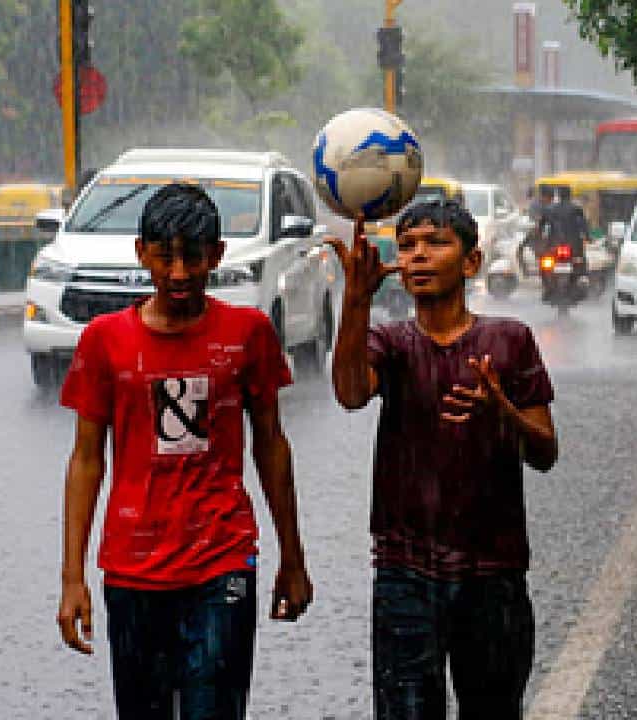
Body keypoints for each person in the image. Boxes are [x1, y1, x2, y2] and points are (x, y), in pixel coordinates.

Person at [56, 183, 313, 719]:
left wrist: (293, 557)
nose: (178, 273)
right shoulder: (104, 340)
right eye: (164, 257)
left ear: (217, 255)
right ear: (141, 253)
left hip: (222, 559)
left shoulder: (248, 333)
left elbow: (271, 445)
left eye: (193, 258)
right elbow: (86, 459)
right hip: (132, 568)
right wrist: (72, 577)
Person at [325, 199, 559, 719]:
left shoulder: (509, 341)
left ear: (471, 261)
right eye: (407, 246)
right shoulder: (390, 342)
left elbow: (545, 452)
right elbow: (350, 392)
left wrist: (502, 413)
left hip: (493, 572)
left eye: (436, 243)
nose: (418, 256)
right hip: (404, 571)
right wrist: (355, 300)